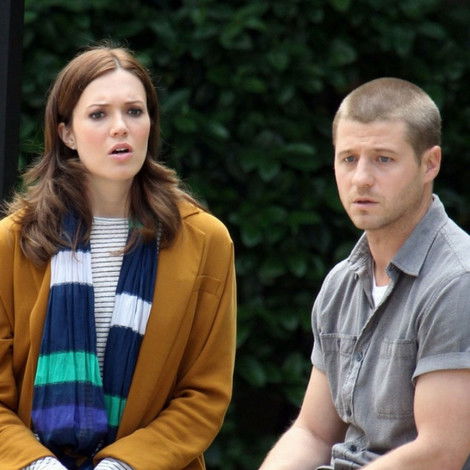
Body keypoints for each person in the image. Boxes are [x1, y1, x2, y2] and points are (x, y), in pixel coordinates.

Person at [0, 44, 236, 470]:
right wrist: (38, 465)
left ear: (150, 123)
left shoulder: (205, 241)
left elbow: (204, 394)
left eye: (134, 111)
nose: (120, 128)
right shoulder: (11, 242)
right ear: (67, 134)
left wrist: (121, 465)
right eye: (98, 115)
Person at [259, 77, 470, 470]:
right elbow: (313, 432)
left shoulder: (458, 281)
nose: (361, 178)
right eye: (348, 159)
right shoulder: (341, 283)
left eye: (383, 159)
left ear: (430, 164)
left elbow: (441, 452)